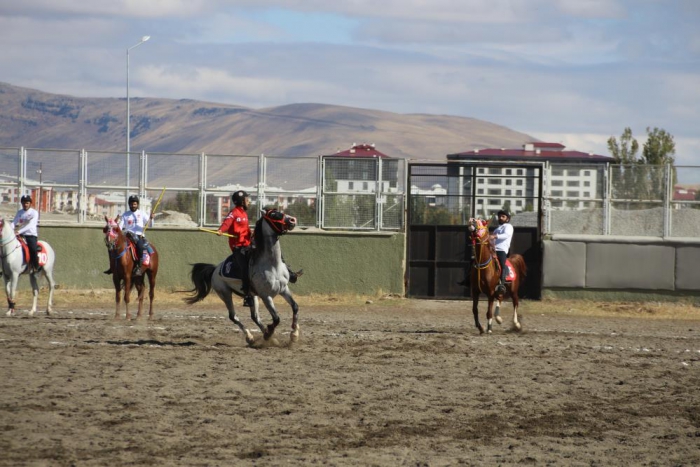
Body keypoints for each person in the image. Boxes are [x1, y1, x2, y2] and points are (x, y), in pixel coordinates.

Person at [217, 190, 254, 306]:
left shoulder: (244, 214)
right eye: (247, 200)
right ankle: (247, 296)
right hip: (238, 247)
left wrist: (251, 233)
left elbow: (246, 228)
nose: (249, 202)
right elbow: (227, 223)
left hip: (247, 244)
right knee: (245, 268)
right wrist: (221, 230)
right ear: (241, 201)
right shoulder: (234, 213)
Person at [108, 195, 154, 277]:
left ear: (137, 204)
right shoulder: (125, 214)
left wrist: (151, 219)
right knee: (113, 247)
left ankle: (139, 266)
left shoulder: (142, 213)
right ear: (129, 204)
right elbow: (120, 227)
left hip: (139, 236)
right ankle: (112, 266)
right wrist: (115, 225)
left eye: (135, 204)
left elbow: (150, 225)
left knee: (140, 246)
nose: (133, 205)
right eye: (131, 204)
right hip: (127, 236)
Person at [12, 195, 41, 273]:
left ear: (30, 203)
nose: (25, 204)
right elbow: (14, 222)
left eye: (27, 203)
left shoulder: (34, 213)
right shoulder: (20, 212)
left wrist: (19, 231)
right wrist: (11, 229)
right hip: (20, 235)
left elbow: (31, 225)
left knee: (33, 249)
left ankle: (35, 266)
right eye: (23, 203)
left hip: (31, 235)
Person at [490, 209, 514, 294]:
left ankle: (502, 284)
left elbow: (506, 235)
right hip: (492, 250)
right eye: (499, 216)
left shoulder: (508, 226)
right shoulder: (497, 229)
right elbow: (492, 240)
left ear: (507, 219)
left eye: (503, 216)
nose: (500, 218)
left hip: (501, 250)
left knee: (502, 265)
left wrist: (494, 236)